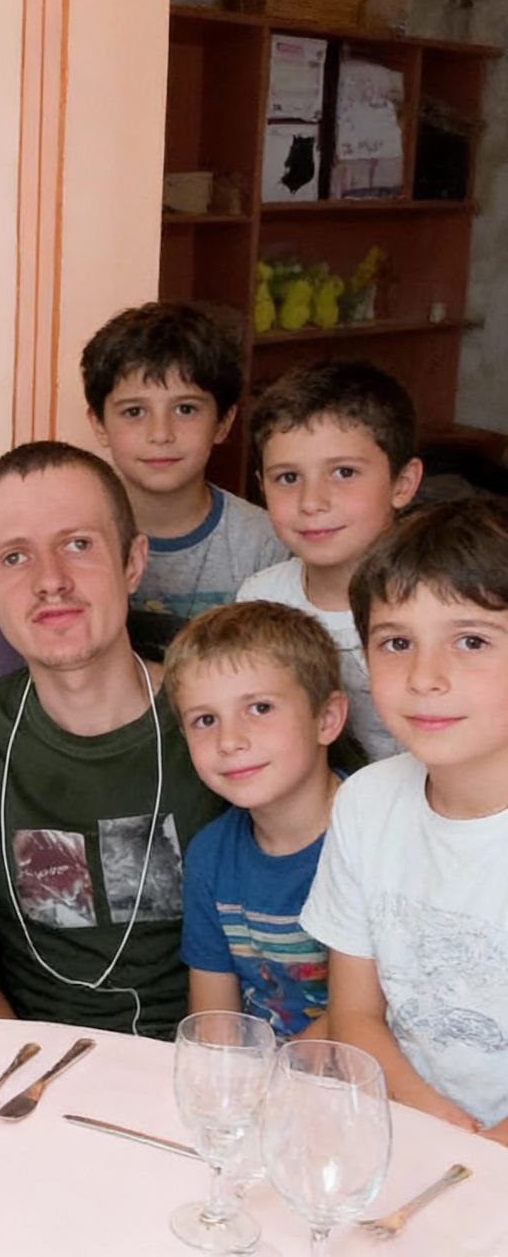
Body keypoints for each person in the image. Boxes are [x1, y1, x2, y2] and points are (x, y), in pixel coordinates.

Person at [0, 441, 225, 1039]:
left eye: (78, 544)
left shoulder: (226, 719)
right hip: (32, 1058)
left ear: (133, 562)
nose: (51, 581)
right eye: (14, 557)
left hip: (205, 1059)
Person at [302, 498, 508, 1145]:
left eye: (471, 641)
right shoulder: (366, 803)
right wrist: (437, 1125)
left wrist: (477, 1159)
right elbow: (355, 1014)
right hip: (405, 1128)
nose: (424, 677)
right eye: (396, 643)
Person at [163, 601, 350, 1039]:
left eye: (260, 708)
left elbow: (373, 1010)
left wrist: (275, 1072)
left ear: (326, 719)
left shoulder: (375, 835)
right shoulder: (210, 855)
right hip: (254, 1071)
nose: (229, 740)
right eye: (205, 720)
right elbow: (215, 1022)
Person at [237, 360, 423, 760]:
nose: (312, 502)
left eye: (344, 472)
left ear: (403, 483)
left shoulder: (437, 602)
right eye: (288, 478)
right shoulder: (261, 598)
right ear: (262, 487)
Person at [83, 302, 286, 651]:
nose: (161, 434)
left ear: (223, 422)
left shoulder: (266, 545)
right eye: (134, 411)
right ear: (99, 424)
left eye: (186, 409)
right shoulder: (74, 535)